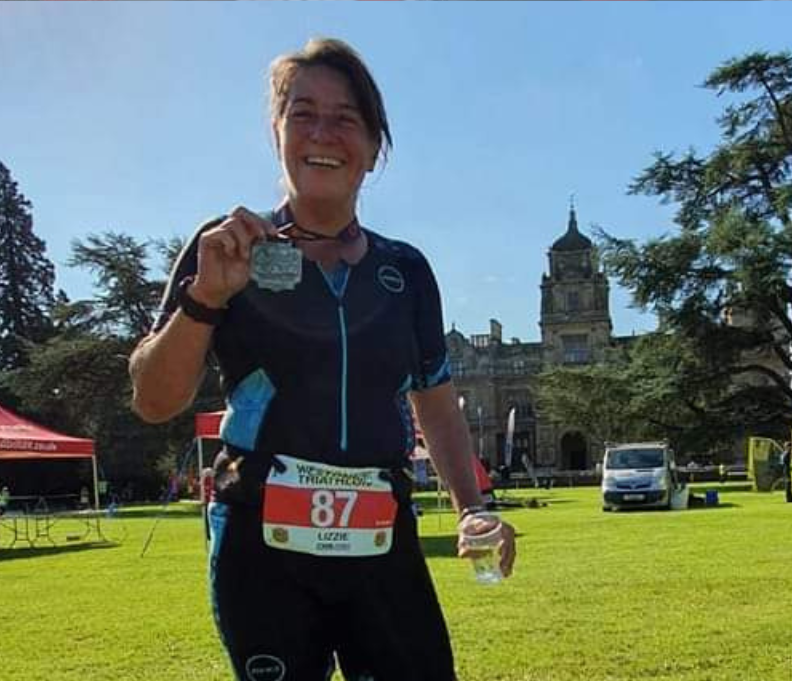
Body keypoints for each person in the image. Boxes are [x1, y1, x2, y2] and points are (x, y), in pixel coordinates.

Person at [128, 37, 516, 681]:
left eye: (345, 118)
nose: (322, 133)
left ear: (374, 147)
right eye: (302, 113)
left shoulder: (405, 270)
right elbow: (152, 400)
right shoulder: (224, 247)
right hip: (261, 543)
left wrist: (472, 506)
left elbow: (437, 405)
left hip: (380, 538)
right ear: (277, 133)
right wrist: (205, 298)